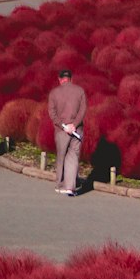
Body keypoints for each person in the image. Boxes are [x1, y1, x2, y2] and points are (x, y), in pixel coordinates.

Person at [47, 68, 87, 196]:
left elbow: (52, 113)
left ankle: (60, 184)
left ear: (60, 80)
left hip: (61, 131)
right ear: (71, 78)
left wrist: (64, 126)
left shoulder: (54, 93)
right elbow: (83, 110)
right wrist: (74, 125)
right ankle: (70, 187)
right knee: (73, 156)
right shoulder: (80, 91)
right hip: (77, 130)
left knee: (62, 156)